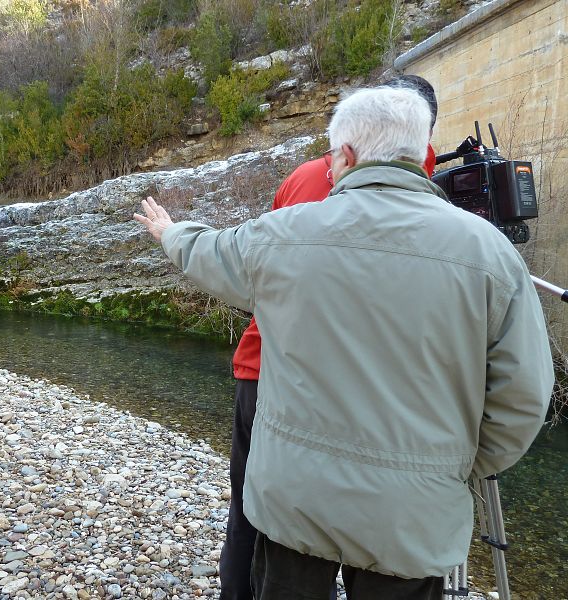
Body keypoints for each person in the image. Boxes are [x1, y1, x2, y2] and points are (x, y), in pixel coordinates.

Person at [135, 85, 553, 599]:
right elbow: (525, 394)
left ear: (347, 156)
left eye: (334, 157)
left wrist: (170, 233)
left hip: (294, 503)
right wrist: (457, 464)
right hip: (413, 516)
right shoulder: (489, 251)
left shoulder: (282, 234)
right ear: (420, 151)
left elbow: (211, 253)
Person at [220, 75, 440, 600]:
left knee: (256, 515)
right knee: (378, 538)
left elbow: (256, 275)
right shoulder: (418, 177)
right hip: (358, 387)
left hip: (261, 367)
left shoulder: (298, 177)